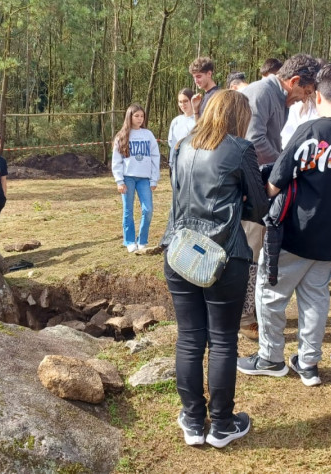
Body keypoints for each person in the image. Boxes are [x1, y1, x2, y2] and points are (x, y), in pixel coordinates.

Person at [237, 63, 331, 387]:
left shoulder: (310, 132)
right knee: (316, 298)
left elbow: (275, 182)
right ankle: (308, 362)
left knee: (270, 295)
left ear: (320, 94)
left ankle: (270, 357)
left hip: (295, 233)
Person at [161, 89, 268, 448]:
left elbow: (177, 195)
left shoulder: (181, 146)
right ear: (239, 117)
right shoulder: (239, 149)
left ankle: (193, 421)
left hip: (179, 249)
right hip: (225, 254)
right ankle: (221, 424)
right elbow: (259, 205)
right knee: (223, 340)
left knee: (190, 338)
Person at [237, 53, 322, 339]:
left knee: (260, 245)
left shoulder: (276, 95)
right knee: (251, 247)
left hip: (263, 178)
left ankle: (253, 309)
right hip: (249, 181)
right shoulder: (262, 93)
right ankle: (246, 315)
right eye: (304, 93)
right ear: (294, 80)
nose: (301, 100)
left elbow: (272, 141)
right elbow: (255, 141)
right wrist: (286, 166)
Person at [112, 104, 160, 252]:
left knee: (148, 209)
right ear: (129, 117)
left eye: (142, 116)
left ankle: (142, 240)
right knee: (128, 210)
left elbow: (155, 157)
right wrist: (119, 181)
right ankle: (129, 240)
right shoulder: (122, 136)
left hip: (144, 179)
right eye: (136, 116)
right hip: (128, 178)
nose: (139, 119)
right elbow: (116, 160)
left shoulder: (148, 135)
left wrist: (154, 179)